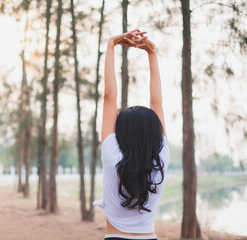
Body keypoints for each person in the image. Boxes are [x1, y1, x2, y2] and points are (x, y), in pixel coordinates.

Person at [93, 30, 170, 240]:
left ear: (122, 132)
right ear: (155, 132)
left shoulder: (112, 157)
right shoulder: (160, 160)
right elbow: (157, 103)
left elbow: (109, 97)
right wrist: (152, 53)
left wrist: (110, 45)